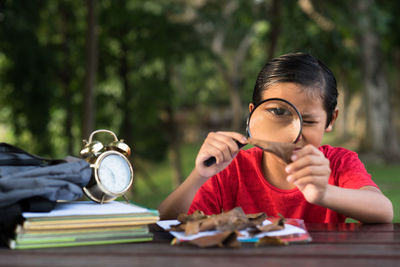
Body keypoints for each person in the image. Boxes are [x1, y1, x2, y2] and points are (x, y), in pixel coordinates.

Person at [158, 52, 393, 223]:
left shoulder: (337, 164)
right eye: (278, 113)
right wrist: (199, 175)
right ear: (253, 116)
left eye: (308, 121)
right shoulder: (229, 169)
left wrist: (324, 193)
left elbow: (384, 211)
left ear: (331, 120)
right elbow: (164, 222)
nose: (293, 135)